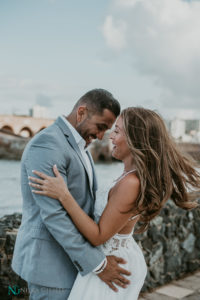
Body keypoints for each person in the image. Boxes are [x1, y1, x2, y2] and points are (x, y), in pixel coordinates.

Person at [29, 107, 200, 300]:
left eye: (117, 131)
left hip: (112, 265)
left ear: (136, 140)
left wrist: (63, 194)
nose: (110, 137)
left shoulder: (131, 183)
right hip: (112, 258)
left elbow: (98, 236)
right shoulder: (127, 176)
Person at [12, 89, 134, 300]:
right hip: (51, 268)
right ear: (81, 113)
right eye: (100, 127)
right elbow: (53, 215)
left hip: (71, 265)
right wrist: (98, 264)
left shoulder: (80, 144)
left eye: (107, 130)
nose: (100, 136)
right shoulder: (48, 144)